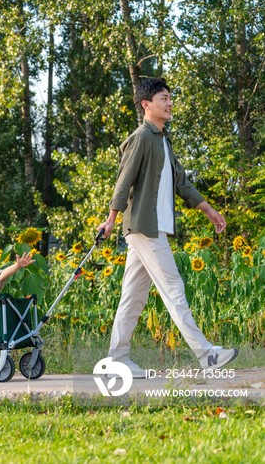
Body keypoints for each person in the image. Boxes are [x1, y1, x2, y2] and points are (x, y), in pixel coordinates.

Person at [97, 78, 236, 378]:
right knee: (174, 290)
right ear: (147, 104)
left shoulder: (163, 139)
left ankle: (116, 361)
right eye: (163, 98)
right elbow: (124, 181)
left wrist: (209, 210)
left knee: (132, 296)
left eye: (171, 98)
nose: (170, 103)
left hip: (152, 227)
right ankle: (207, 354)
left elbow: (182, 183)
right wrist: (111, 218)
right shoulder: (141, 137)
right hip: (144, 227)